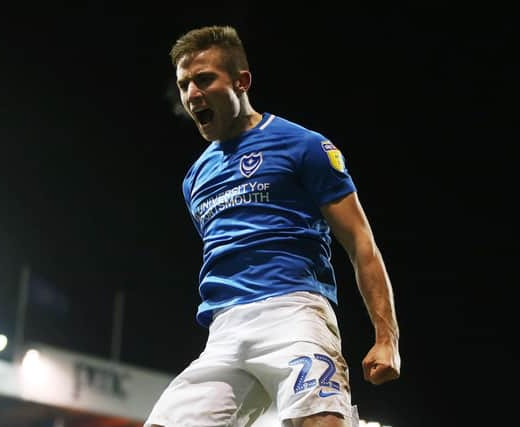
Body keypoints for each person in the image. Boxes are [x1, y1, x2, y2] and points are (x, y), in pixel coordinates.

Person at [145, 25, 400, 427]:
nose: (192, 94)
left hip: (294, 313)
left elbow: (360, 243)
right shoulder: (195, 177)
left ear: (242, 81)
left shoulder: (304, 146)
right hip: (224, 331)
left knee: (320, 422)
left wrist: (388, 339)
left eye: (205, 79)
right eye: (184, 84)